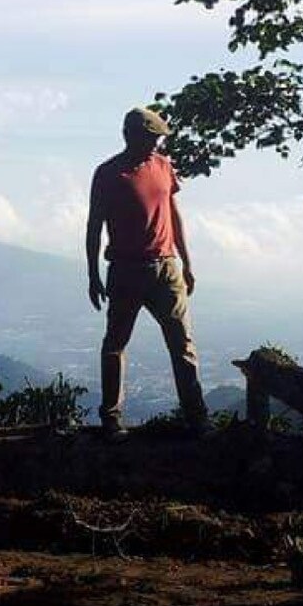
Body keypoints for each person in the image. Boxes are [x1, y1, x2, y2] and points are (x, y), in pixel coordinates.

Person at [86, 107, 209, 440]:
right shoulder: (108, 174)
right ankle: (111, 420)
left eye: (158, 138)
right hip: (125, 269)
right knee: (115, 344)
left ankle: (197, 419)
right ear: (132, 136)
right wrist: (92, 274)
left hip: (166, 267)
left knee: (182, 344)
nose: (157, 143)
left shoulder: (164, 166)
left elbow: (175, 214)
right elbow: (94, 226)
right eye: (152, 137)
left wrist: (186, 262)